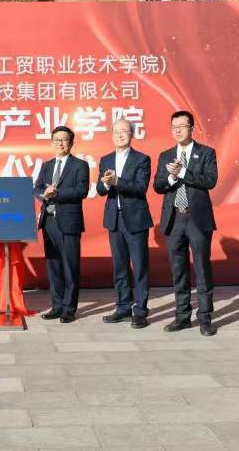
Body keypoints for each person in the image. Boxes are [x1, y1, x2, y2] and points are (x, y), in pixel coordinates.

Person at [153, 110, 219, 336]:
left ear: (192, 128)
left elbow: (210, 180)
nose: (178, 130)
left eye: (182, 126)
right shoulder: (165, 155)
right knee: (178, 270)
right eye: (174, 127)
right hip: (174, 219)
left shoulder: (206, 153)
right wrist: (171, 177)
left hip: (197, 218)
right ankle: (182, 316)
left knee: (201, 268)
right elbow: (158, 185)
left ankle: (205, 318)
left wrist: (183, 172)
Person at [96, 119, 153, 328]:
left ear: (132, 134)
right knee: (119, 266)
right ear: (111, 134)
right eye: (117, 131)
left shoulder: (142, 159)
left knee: (139, 266)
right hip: (114, 219)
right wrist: (105, 184)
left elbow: (140, 188)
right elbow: (100, 190)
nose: (120, 135)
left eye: (125, 131)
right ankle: (122, 308)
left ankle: (140, 311)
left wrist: (118, 181)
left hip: (135, 219)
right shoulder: (106, 159)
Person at [33, 125, 89, 324]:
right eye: (56, 140)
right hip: (49, 222)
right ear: (52, 143)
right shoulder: (47, 165)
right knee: (53, 266)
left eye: (64, 140)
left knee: (70, 266)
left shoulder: (80, 165)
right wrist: (44, 194)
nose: (59, 143)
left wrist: (57, 193)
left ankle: (69, 309)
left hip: (69, 222)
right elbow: (37, 188)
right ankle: (57, 306)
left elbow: (81, 190)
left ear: (71, 143)